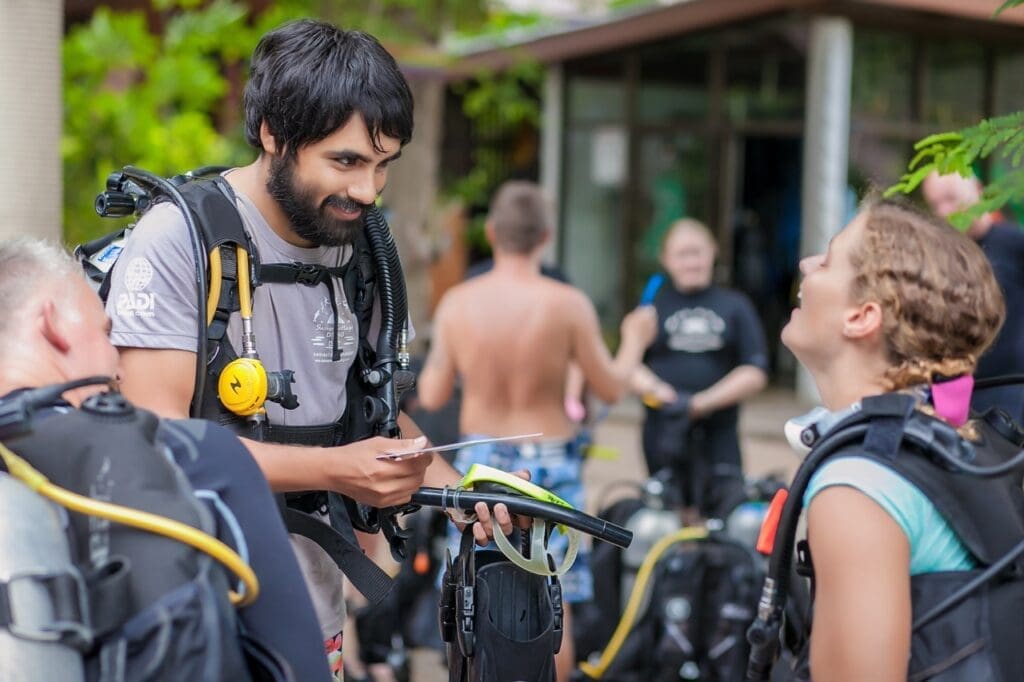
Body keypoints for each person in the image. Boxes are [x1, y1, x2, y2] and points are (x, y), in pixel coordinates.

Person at [101, 19, 515, 679]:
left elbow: (372, 416)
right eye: (346, 161)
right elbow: (159, 442)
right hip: (193, 615)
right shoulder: (178, 240)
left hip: (312, 621)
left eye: (383, 165)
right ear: (274, 135)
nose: (368, 191)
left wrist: (462, 493)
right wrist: (335, 470)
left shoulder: (362, 249)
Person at [0, 237, 333, 679]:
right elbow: (299, 667)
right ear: (52, 323)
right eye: (106, 333)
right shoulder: (195, 457)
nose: (118, 368)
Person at [416, 180, 658, 682]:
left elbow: (432, 396)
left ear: (491, 232)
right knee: (553, 600)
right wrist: (634, 340)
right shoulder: (568, 304)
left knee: (467, 591)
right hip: (551, 462)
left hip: (481, 464)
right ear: (546, 236)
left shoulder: (459, 302)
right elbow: (611, 388)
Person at [781, 198, 1016, 679]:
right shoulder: (954, 440)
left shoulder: (859, 487)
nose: (806, 264)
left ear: (861, 317)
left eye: (828, 261)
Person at [631, 218, 768, 522]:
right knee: (666, 517)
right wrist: (658, 391)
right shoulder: (651, 309)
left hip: (719, 433)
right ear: (665, 259)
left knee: (723, 515)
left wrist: (701, 403)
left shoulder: (736, 305)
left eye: (697, 252)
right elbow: (629, 365)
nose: (691, 262)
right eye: (682, 254)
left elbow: (755, 371)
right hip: (663, 432)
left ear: (713, 252)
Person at [922, 170, 1024, 419]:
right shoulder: (937, 258)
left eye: (951, 199)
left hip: (1010, 388)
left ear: (978, 190)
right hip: (958, 390)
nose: (945, 212)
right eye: (936, 204)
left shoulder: (1014, 244)